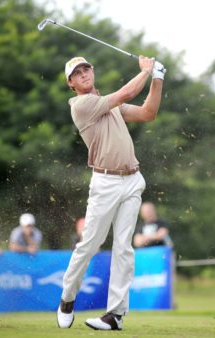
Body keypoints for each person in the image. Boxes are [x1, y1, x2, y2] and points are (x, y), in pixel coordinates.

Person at [57, 55, 166, 330]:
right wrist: (145, 70)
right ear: (71, 83)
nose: (83, 74)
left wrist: (157, 79)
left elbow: (147, 113)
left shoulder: (111, 106)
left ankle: (115, 315)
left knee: (123, 248)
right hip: (105, 183)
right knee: (90, 244)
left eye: (86, 69)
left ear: (92, 72)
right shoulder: (82, 105)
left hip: (132, 180)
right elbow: (127, 92)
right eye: (77, 73)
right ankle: (67, 298)